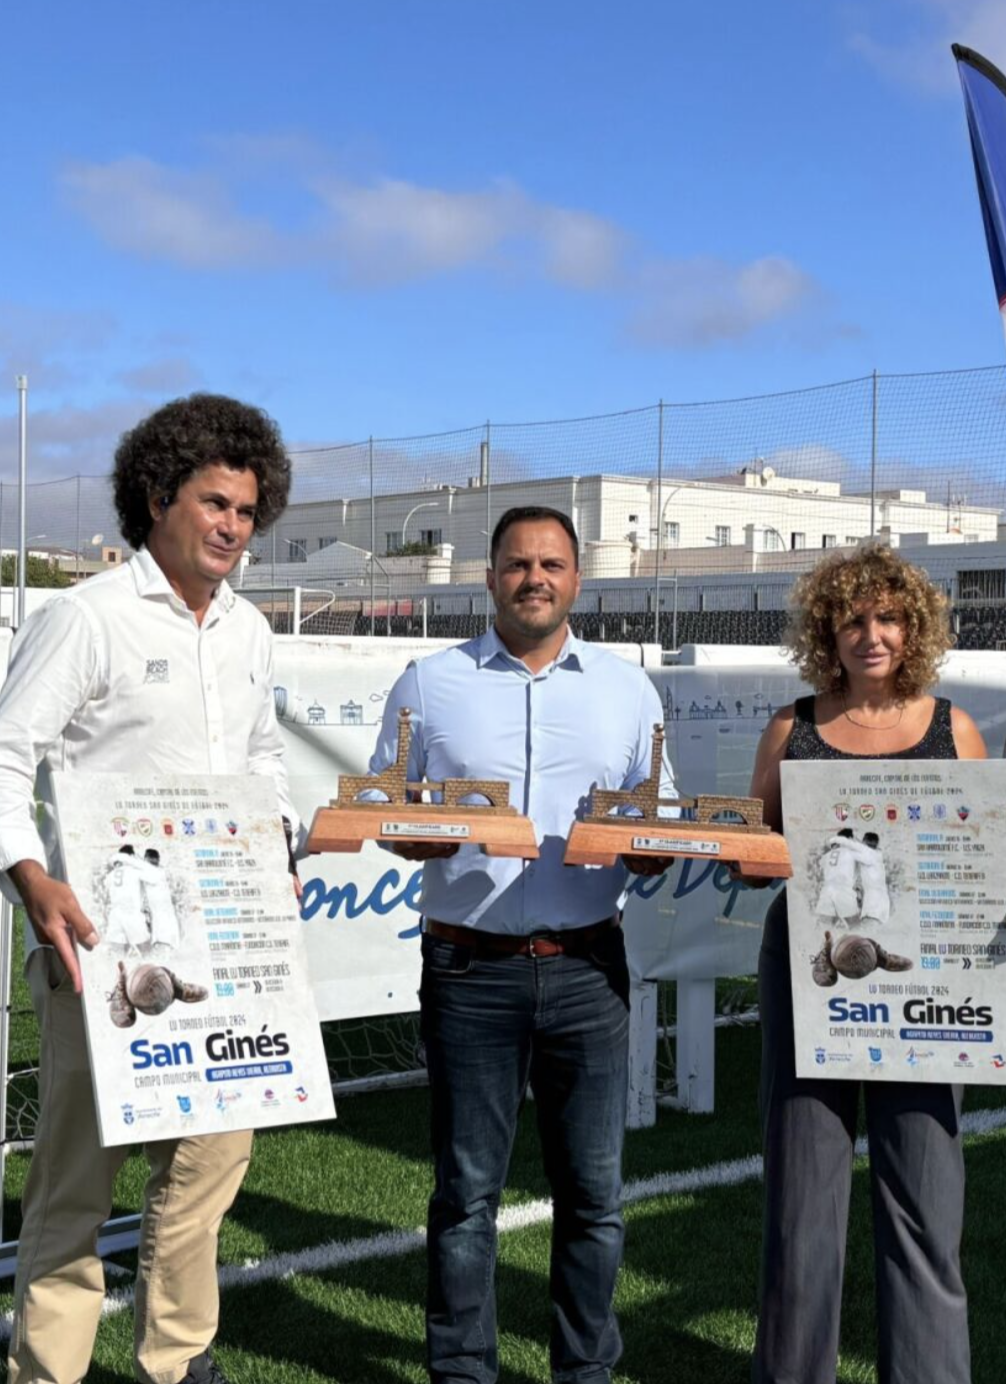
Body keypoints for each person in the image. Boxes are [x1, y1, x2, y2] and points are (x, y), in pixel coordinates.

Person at [0, 393, 297, 1384]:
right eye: (215, 502)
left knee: (210, 1165)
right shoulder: (85, 617)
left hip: (221, 945)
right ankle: (47, 1372)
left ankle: (176, 1358)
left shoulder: (247, 629)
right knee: (77, 1186)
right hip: (100, 945)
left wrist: (271, 838)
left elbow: (265, 756)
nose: (233, 525)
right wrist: (35, 884)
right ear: (158, 497)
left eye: (246, 508)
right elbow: (0, 765)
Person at [368, 505, 674, 1384]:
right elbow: (390, 809)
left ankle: (585, 1371)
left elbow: (657, 817)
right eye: (516, 564)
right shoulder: (429, 682)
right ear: (489, 574)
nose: (533, 578)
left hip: (588, 966)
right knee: (465, 1197)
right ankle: (462, 1373)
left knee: (596, 1197)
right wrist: (409, 836)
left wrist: (651, 851)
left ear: (578, 578)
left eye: (551, 563)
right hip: (469, 968)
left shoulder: (627, 689)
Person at [737, 544, 1006, 1384]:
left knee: (924, 1198)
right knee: (801, 1208)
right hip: (812, 975)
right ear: (825, 633)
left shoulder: (956, 728)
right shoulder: (791, 726)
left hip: (927, 990)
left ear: (911, 628)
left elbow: (985, 865)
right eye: (852, 620)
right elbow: (756, 848)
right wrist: (752, 853)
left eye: (886, 618)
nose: (870, 636)